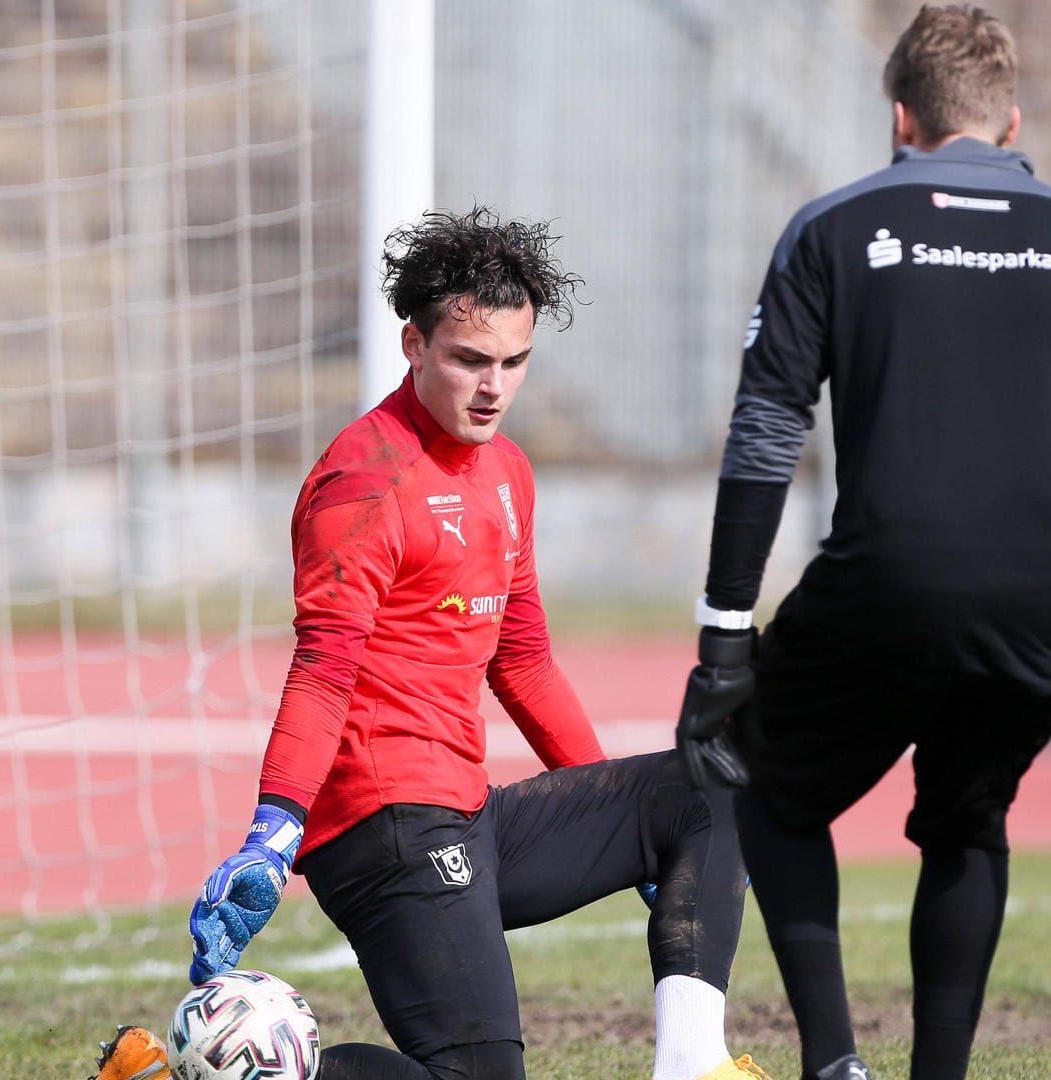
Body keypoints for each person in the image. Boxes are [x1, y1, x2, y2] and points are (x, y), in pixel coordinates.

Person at [672, 7, 1051, 1080]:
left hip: (887, 588)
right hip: (1048, 610)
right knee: (967, 819)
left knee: (758, 774)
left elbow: (765, 434)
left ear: (900, 118)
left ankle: (835, 1063)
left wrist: (724, 639)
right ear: (1014, 122)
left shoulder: (835, 227)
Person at [94, 207, 763, 1080]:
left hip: (469, 811)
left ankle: (692, 1067)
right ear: (414, 345)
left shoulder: (509, 475)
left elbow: (521, 660)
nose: (493, 386)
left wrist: (614, 816)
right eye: (469, 360)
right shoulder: (361, 480)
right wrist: (273, 831)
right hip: (383, 826)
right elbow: (323, 670)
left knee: (707, 788)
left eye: (514, 363)